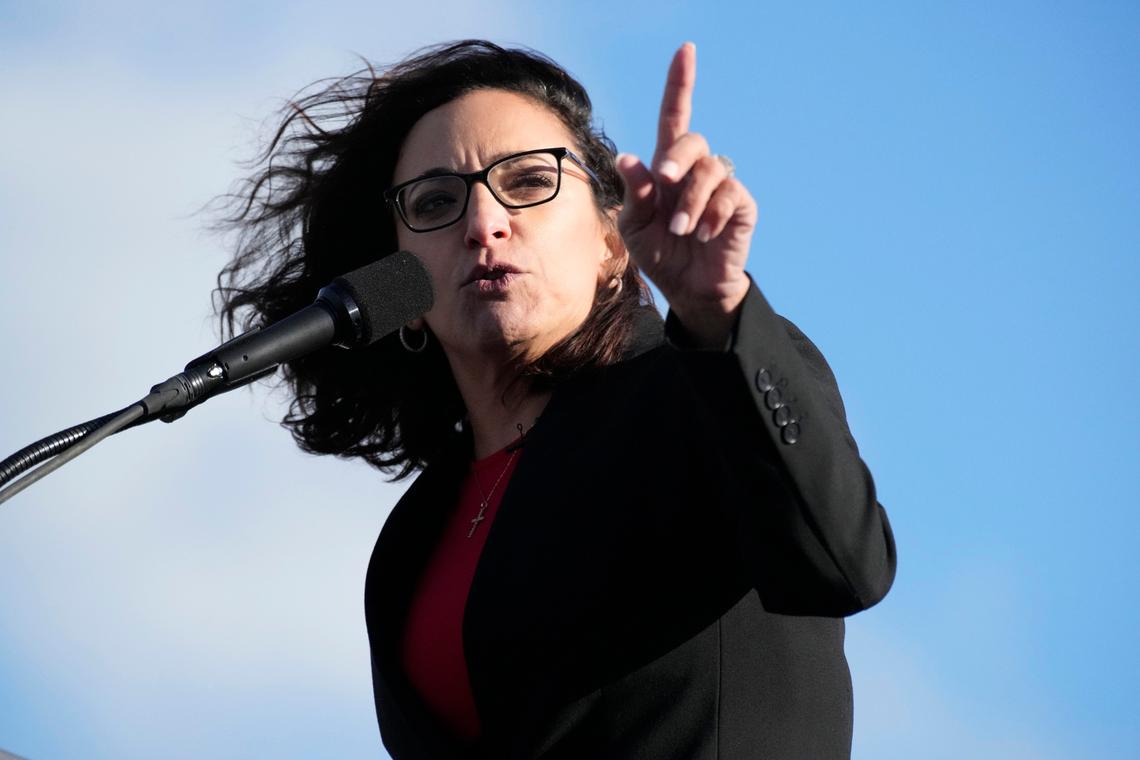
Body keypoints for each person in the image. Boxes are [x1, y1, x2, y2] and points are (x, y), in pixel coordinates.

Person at [216, 39, 896, 760]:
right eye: (437, 202)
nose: (484, 223)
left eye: (530, 181)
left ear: (611, 244)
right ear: (399, 290)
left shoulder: (705, 384)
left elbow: (841, 567)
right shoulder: (411, 543)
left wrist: (719, 315)